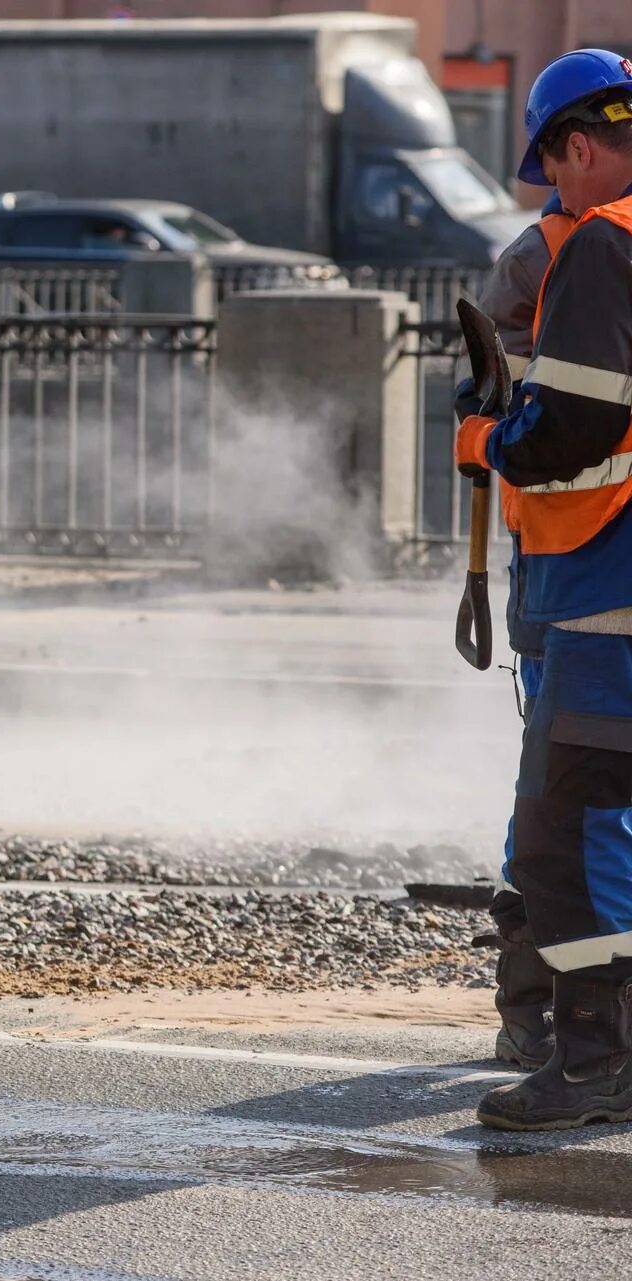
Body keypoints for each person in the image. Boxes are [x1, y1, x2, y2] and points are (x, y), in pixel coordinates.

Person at [455, 51, 632, 1130]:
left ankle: (591, 1067)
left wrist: (489, 437)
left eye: (549, 166)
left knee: (573, 834)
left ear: (571, 145)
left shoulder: (606, 239)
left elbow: (576, 425)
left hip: (605, 588)